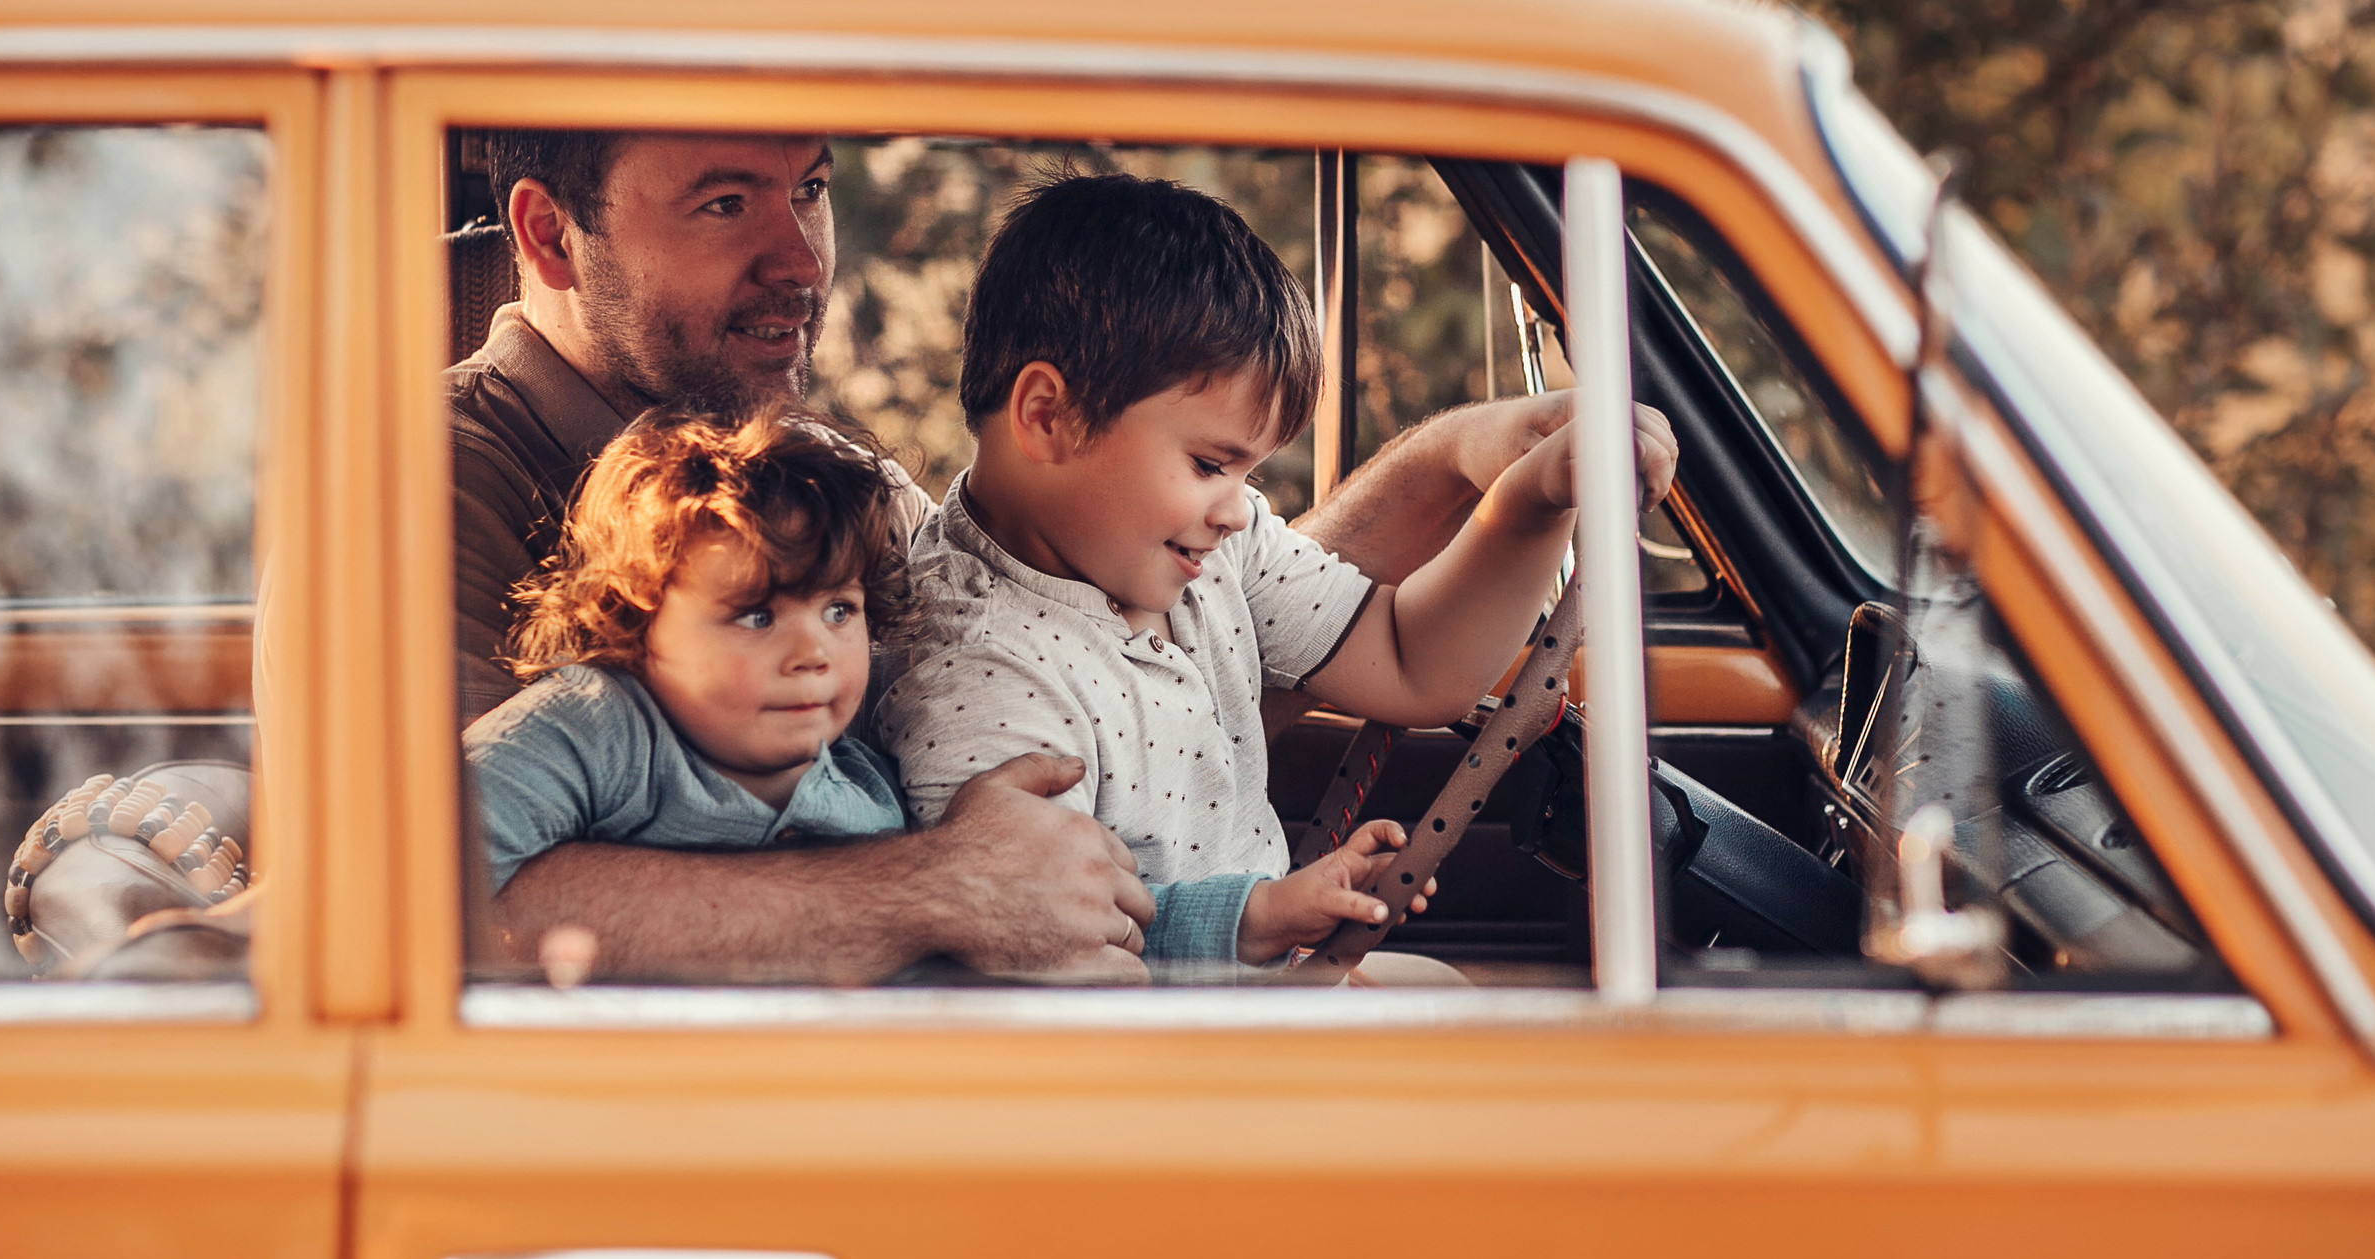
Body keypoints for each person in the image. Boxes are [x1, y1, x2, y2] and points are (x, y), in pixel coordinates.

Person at [456, 128, 1635, 983]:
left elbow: (1134, 605)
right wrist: (939, 888)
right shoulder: (434, 480)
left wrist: (1474, 476)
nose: (804, 260)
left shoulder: (801, 458)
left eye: (809, 188)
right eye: (724, 203)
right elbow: (420, 898)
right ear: (550, 234)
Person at [873, 173, 1677, 979]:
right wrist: (1256, 923)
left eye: (1245, 470)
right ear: (1048, 417)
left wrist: (1529, 501)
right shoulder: (978, 679)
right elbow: (1058, 971)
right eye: (1209, 463)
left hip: (1256, 986)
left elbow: (1408, 662)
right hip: (1168, 1064)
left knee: (1456, 1002)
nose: (1235, 506)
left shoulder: (1204, 544)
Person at [466, 408, 912, 895]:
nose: (812, 653)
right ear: (635, 621)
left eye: (839, 612)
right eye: (757, 616)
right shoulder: (599, 731)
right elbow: (432, 863)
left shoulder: (872, 786)